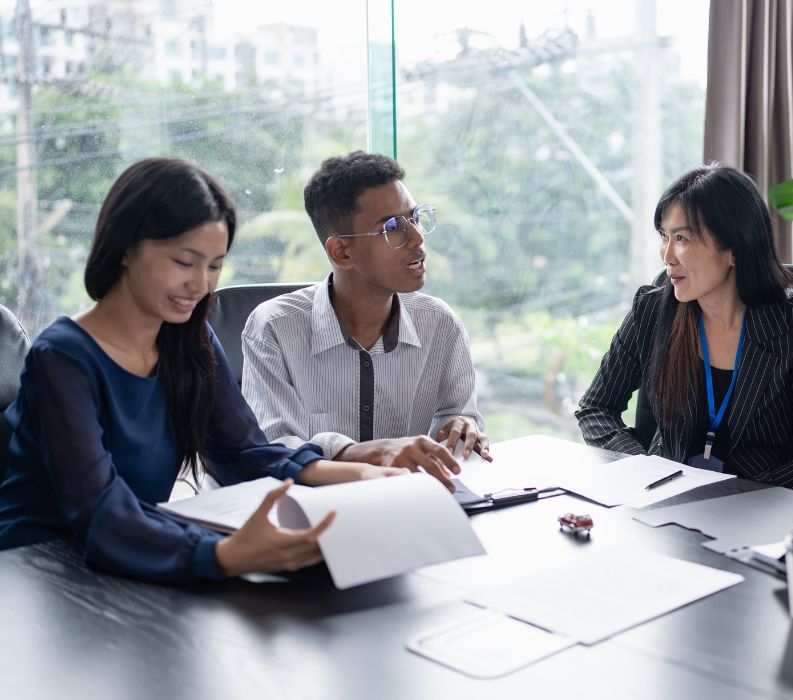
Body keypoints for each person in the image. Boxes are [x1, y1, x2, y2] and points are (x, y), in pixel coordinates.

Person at [0, 158, 424, 583]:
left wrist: (364, 475)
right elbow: (99, 511)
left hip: (134, 553)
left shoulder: (189, 338)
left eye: (215, 265)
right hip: (38, 571)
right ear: (127, 249)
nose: (201, 284)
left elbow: (243, 451)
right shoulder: (63, 357)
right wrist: (224, 554)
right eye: (185, 262)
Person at [575, 164, 793, 493]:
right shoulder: (651, 311)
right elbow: (596, 408)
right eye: (664, 237)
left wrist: (734, 496)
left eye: (681, 238)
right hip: (662, 499)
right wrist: (644, 469)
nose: (667, 256)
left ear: (734, 248)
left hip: (754, 509)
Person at [240, 152, 489, 484]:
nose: (418, 238)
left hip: (410, 504)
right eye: (393, 227)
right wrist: (363, 452)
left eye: (415, 218)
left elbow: (457, 419)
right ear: (341, 251)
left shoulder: (441, 324)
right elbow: (276, 451)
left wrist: (459, 427)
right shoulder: (273, 328)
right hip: (311, 508)